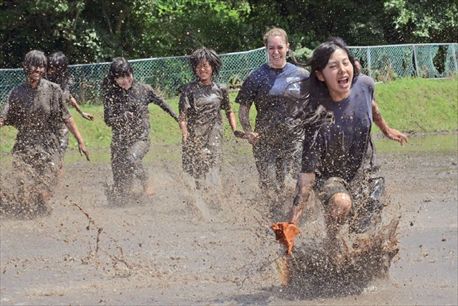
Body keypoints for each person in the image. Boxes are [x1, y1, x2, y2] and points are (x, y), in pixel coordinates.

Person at [288, 37, 408, 250]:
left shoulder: (365, 85)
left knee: (364, 233)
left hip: (365, 169)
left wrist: (386, 129)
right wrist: (292, 223)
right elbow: (306, 179)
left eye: (345, 63)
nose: (343, 70)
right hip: (330, 176)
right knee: (342, 202)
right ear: (320, 75)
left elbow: (371, 105)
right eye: (333, 67)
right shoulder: (317, 117)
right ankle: (332, 241)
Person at [0, 50, 90, 217]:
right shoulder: (17, 92)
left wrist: (81, 141)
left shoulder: (53, 90)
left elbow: (67, 118)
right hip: (24, 145)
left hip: (49, 144)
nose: (39, 70)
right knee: (22, 183)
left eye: (42, 66)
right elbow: (3, 117)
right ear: (26, 67)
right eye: (35, 66)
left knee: (44, 188)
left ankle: (40, 206)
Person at [236, 27, 310, 207]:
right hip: (265, 141)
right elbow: (244, 108)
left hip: (294, 139)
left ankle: (293, 218)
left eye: (279, 47)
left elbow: (312, 106)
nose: (276, 52)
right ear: (266, 49)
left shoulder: (302, 75)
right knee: (269, 185)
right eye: (271, 48)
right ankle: (270, 218)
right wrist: (248, 131)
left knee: (294, 182)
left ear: (287, 47)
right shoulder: (256, 76)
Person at [102, 57, 178, 202]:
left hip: (140, 138)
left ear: (132, 73)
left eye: (127, 75)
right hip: (119, 141)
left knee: (131, 158)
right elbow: (108, 120)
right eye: (120, 78)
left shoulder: (144, 89)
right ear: (114, 79)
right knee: (120, 189)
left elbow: (163, 104)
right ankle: (127, 195)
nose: (125, 80)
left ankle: (146, 182)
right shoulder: (110, 95)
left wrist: (178, 118)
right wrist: (122, 117)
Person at [178, 48, 238, 189]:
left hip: (214, 135)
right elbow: (182, 117)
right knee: (197, 172)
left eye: (205, 65)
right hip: (194, 136)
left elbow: (229, 111)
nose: (202, 69)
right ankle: (200, 201)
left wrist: (235, 130)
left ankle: (216, 199)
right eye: (198, 66)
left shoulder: (221, 89)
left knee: (214, 167)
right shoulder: (188, 90)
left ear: (212, 66)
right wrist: (185, 134)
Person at [47, 51, 94, 164]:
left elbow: (68, 98)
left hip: (60, 129)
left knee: (57, 162)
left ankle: (58, 181)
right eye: (49, 66)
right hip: (44, 127)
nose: (50, 70)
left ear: (61, 69)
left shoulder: (62, 84)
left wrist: (81, 112)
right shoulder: (44, 81)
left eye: (53, 68)